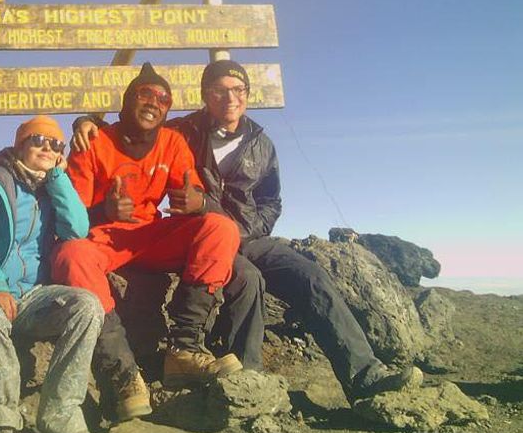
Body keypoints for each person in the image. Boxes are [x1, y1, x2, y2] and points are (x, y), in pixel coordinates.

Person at [73, 59, 423, 404]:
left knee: (310, 276)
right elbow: (139, 126)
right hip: (204, 237)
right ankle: (245, 382)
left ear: (248, 94)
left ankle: (365, 376)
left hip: (250, 237)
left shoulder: (261, 143)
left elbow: (271, 201)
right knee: (247, 279)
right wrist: (87, 122)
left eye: (239, 90)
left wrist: (246, 229)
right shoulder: (183, 131)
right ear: (205, 96)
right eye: (219, 90)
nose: (230, 98)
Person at [53, 63, 244, 423]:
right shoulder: (93, 141)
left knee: (220, 228)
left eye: (164, 99)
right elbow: (70, 218)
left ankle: (184, 351)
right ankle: (123, 377)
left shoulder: (172, 142)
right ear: (128, 100)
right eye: (145, 94)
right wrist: (102, 210)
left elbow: (191, 187)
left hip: (151, 235)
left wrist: (197, 201)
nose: (154, 102)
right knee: (70, 254)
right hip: (105, 238)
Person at [0, 116, 103, 433]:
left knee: (87, 306)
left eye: (56, 144)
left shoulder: (52, 186)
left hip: (34, 294)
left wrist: (58, 178)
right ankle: (0, 423)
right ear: (20, 145)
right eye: (38, 140)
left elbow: (77, 229)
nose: (47, 148)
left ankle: (60, 413)